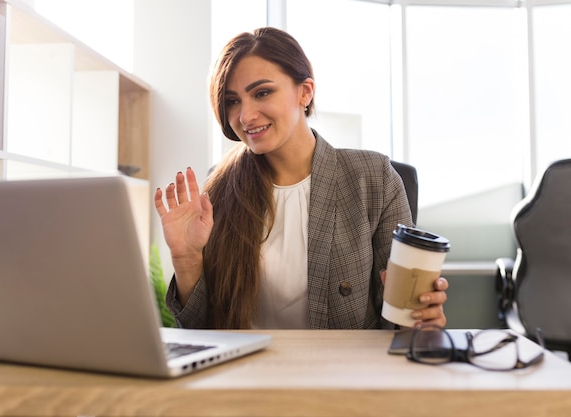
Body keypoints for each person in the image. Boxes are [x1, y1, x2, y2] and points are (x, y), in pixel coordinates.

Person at [154, 26, 448, 330]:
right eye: (232, 101)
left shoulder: (374, 179)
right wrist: (186, 258)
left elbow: (403, 320)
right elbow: (203, 330)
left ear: (305, 92)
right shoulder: (218, 187)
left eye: (262, 93)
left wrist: (420, 318)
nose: (245, 116)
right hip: (246, 374)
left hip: (344, 372)